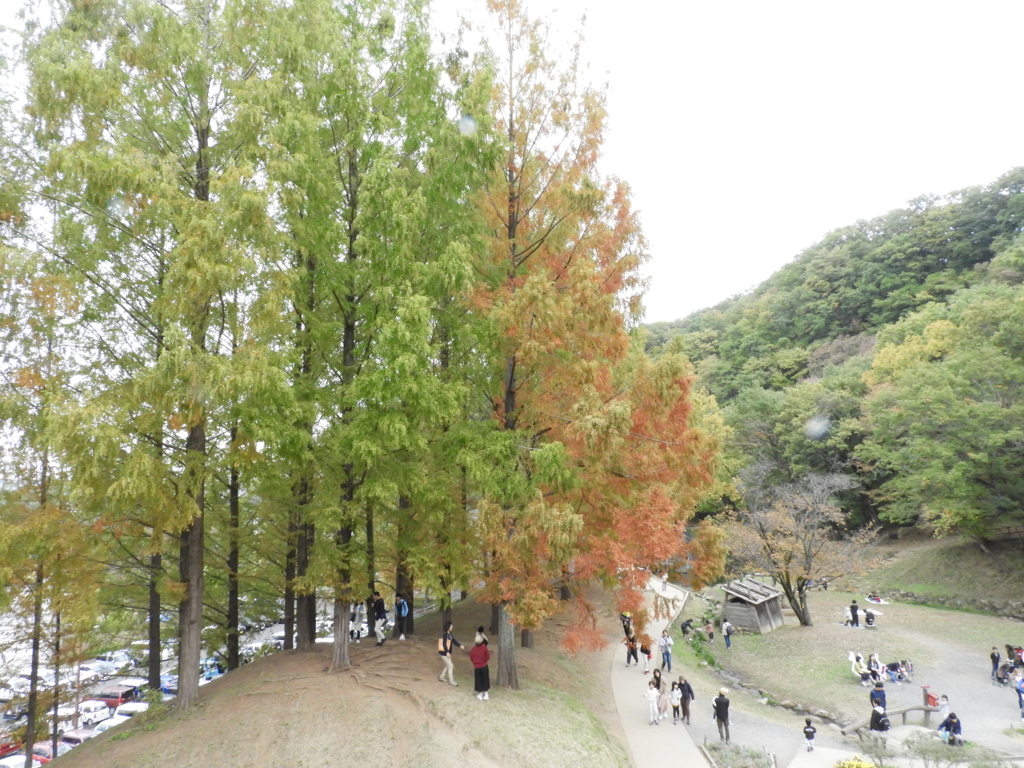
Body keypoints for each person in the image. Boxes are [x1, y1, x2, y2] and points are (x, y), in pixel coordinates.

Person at [438, 621, 463, 686]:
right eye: (451, 626)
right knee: (451, 665)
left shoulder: (450, 634)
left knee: (448, 665)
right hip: (444, 654)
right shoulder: (445, 635)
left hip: (447, 653)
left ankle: (442, 677)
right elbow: (444, 644)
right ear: (448, 627)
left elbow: (453, 641)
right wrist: (447, 652)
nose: (452, 627)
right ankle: (451, 681)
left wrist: (460, 645)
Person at [470, 627, 491, 701]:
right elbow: (488, 656)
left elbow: (471, 658)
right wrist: (484, 661)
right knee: (485, 679)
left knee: (478, 680)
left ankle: (480, 694)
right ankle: (486, 694)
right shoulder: (484, 648)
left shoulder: (473, 649)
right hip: (484, 666)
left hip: (477, 667)